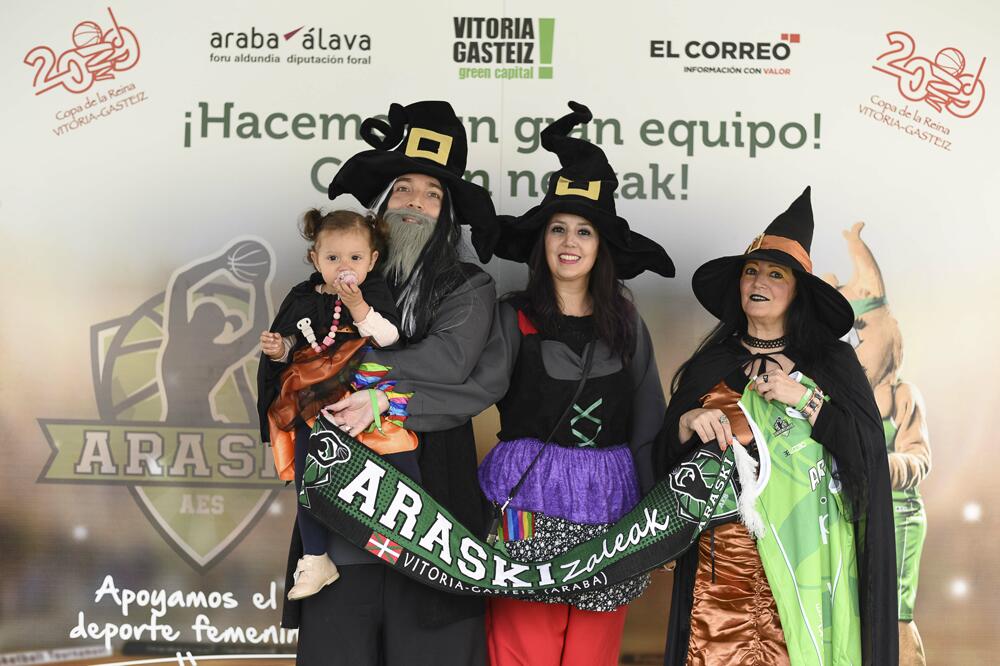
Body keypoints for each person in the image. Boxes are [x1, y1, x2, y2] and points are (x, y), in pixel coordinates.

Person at [284, 100, 499, 666]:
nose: (415, 204)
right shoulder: (333, 279)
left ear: (447, 215)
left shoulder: (469, 285)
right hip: (342, 515)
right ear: (381, 206)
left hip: (435, 519)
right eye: (403, 189)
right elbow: (294, 361)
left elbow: (449, 362)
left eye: (433, 195)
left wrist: (365, 387)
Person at [654, 188, 898, 665]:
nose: (758, 281)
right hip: (721, 579)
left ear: (797, 291)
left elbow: (866, 453)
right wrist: (685, 422)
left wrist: (807, 399)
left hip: (807, 565)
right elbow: (665, 466)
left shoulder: (831, 364)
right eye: (751, 271)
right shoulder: (710, 366)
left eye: (775, 274)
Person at [477, 102, 674, 666]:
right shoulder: (512, 315)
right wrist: (390, 400)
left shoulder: (627, 322)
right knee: (522, 649)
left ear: (601, 245)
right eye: (558, 228)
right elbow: (474, 391)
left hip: (611, 506)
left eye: (584, 231)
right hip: (527, 501)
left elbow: (648, 421)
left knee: (592, 652)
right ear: (542, 240)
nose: (570, 241)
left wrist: (657, 519)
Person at [256, 209, 402, 602]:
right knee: (311, 477)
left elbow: (389, 337)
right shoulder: (303, 297)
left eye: (355, 257)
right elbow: (292, 346)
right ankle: (316, 556)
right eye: (333, 258)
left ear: (372, 260)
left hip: (364, 397)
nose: (344, 267)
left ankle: (401, 543)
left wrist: (358, 306)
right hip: (313, 398)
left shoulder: (373, 292)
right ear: (314, 259)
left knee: (396, 466)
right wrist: (279, 349)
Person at [824, 222, 930, 666]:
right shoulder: (839, 400)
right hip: (852, 513)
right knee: (852, 613)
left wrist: (884, 464)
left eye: (863, 330)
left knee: (895, 616)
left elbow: (919, 458)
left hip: (898, 517)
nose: (856, 345)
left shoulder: (902, 395)